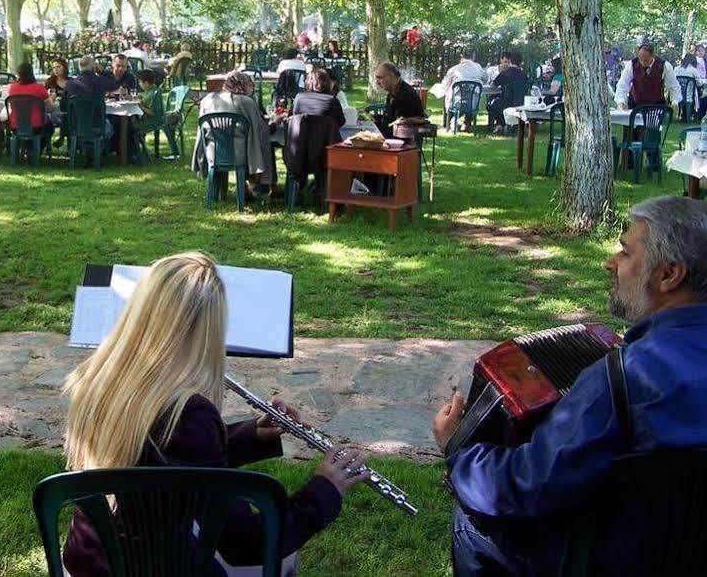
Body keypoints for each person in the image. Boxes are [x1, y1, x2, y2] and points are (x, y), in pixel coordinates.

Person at [435, 196, 707, 577]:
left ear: (669, 275)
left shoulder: (622, 380)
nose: (610, 263)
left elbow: (525, 485)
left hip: (611, 562)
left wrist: (460, 450)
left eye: (625, 253)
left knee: (473, 519)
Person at [62, 252, 369, 576]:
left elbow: (165, 460)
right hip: (155, 567)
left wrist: (251, 435)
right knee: (283, 559)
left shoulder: (97, 381)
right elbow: (246, 544)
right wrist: (325, 490)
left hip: (86, 563)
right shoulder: (190, 414)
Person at [192, 70, 276, 196]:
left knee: (227, 139)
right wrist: (274, 122)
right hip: (240, 155)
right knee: (257, 144)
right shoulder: (247, 102)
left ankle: (220, 191)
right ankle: (258, 186)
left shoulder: (207, 100)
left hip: (213, 152)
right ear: (244, 84)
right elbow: (261, 130)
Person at [614, 44, 681, 110]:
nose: (642, 63)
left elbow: (673, 86)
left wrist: (674, 102)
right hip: (635, 105)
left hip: (657, 106)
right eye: (640, 59)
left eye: (646, 60)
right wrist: (620, 102)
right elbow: (623, 84)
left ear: (652, 56)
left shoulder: (665, 66)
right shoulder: (631, 65)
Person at [372, 61, 425, 138]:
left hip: (400, 143)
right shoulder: (393, 91)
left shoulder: (406, 95)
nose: (377, 82)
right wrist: (370, 118)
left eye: (380, 78)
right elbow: (389, 120)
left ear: (391, 76)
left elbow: (399, 127)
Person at [487, 52, 529, 132]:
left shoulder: (505, 73)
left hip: (507, 102)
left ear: (510, 61)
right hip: (520, 103)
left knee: (492, 104)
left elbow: (492, 86)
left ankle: (498, 125)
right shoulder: (524, 75)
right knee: (499, 103)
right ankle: (505, 125)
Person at [7, 61, 53, 133]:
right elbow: (49, 108)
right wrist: (52, 99)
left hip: (16, 124)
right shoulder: (39, 88)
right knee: (50, 125)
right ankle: (40, 143)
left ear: (18, 74)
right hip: (37, 125)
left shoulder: (12, 88)